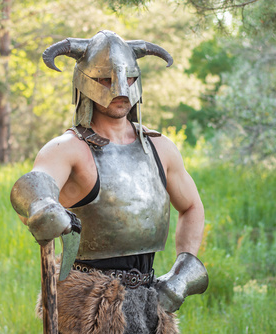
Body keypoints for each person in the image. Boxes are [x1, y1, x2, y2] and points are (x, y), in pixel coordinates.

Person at [12, 30, 208, 334]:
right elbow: (35, 186)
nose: (120, 89)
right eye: (105, 80)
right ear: (84, 82)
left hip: (149, 298)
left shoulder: (160, 147)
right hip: (88, 304)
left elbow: (192, 206)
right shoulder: (67, 148)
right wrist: (43, 207)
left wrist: (183, 271)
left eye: (129, 79)